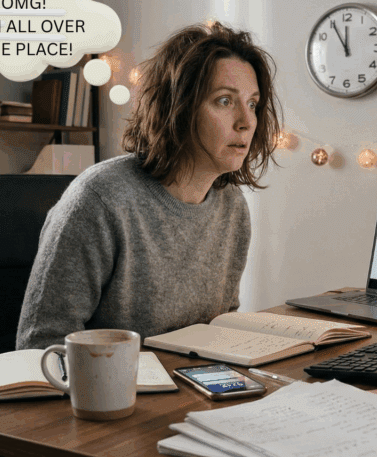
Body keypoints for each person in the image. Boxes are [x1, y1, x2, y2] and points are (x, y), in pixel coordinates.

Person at [16, 21, 282, 351]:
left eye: (253, 103)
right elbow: (40, 344)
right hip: (109, 383)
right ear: (178, 108)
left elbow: (218, 329)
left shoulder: (233, 207)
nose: (246, 121)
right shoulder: (99, 200)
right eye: (225, 101)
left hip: (191, 380)